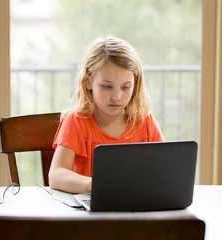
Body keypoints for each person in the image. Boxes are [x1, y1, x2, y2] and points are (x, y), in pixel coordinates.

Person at [48, 36, 164, 194]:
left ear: (134, 84)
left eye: (125, 87)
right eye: (107, 86)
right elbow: (56, 175)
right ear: (88, 82)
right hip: (90, 214)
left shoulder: (145, 121)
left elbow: (164, 171)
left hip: (137, 211)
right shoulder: (76, 122)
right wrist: (95, 184)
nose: (116, 96)